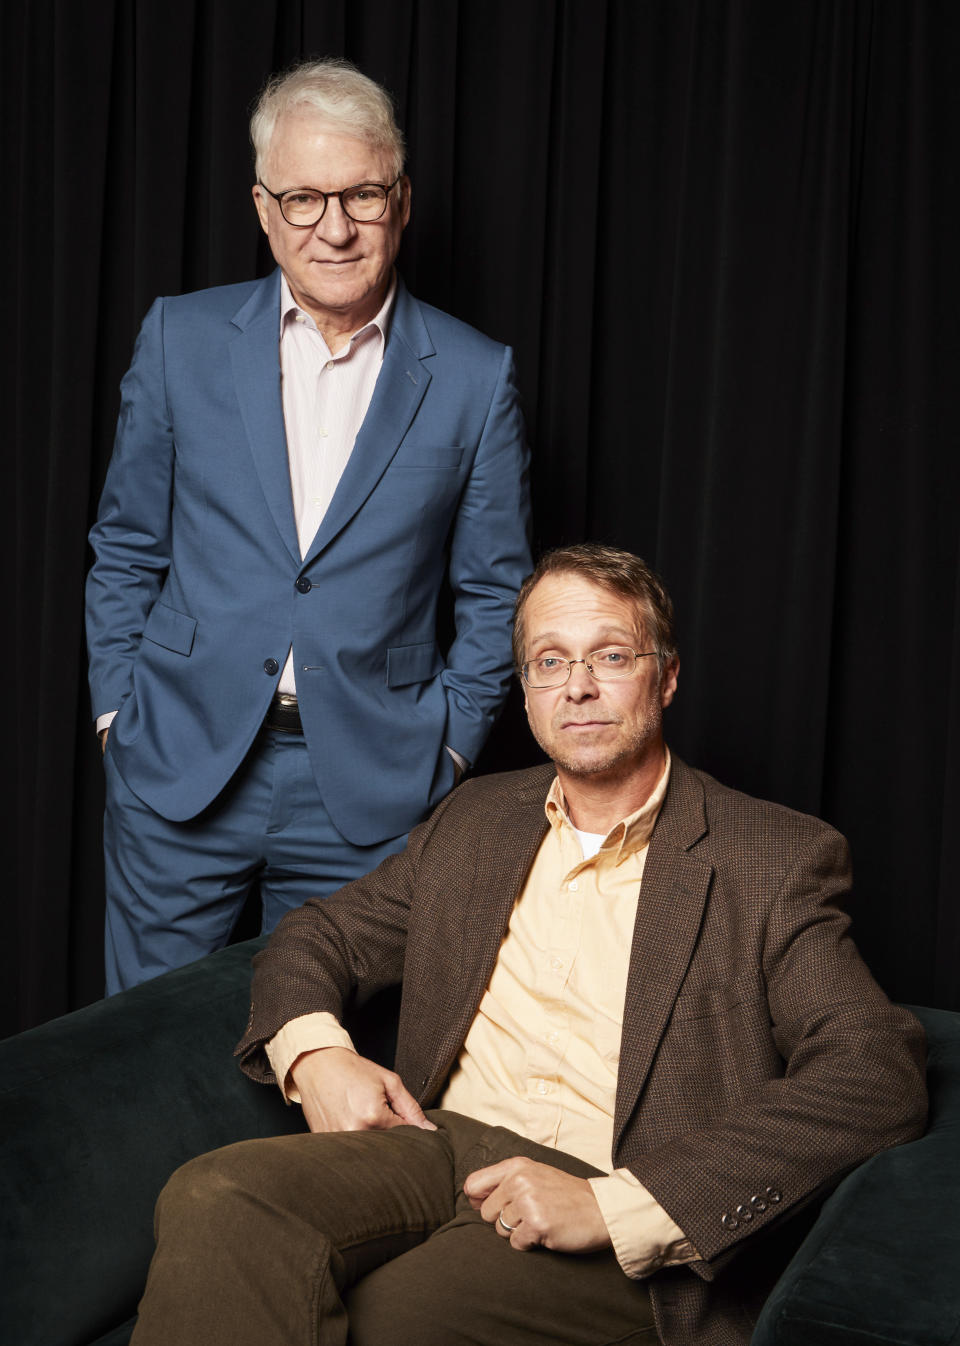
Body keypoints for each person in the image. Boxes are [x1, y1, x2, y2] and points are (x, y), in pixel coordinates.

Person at [130, 544, 927, 1346]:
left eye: (609, 656)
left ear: (668, 677)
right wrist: (316, 1058)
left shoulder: (770, 857)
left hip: (605, 1192)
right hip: (437, 1146)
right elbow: (321, 932)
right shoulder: (475, 821)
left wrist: (617, 1207)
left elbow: (874, 1071)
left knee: (397, 1317)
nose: (577, 686)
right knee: (214, 1192)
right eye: (551, 661)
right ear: (527, 690)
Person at [85, 58, 531, 993]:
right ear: (262, 208)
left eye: (361, 194)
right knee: (142, 1054)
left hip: (368, 788)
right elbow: (126, 544)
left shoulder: (475, 375)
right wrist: (116, 712)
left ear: (400, 201)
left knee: (325, 1075)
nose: (334, 226)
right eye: (303, 199)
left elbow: (497, 592)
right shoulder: (180, 339)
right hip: (177, 760)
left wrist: (447, 746)